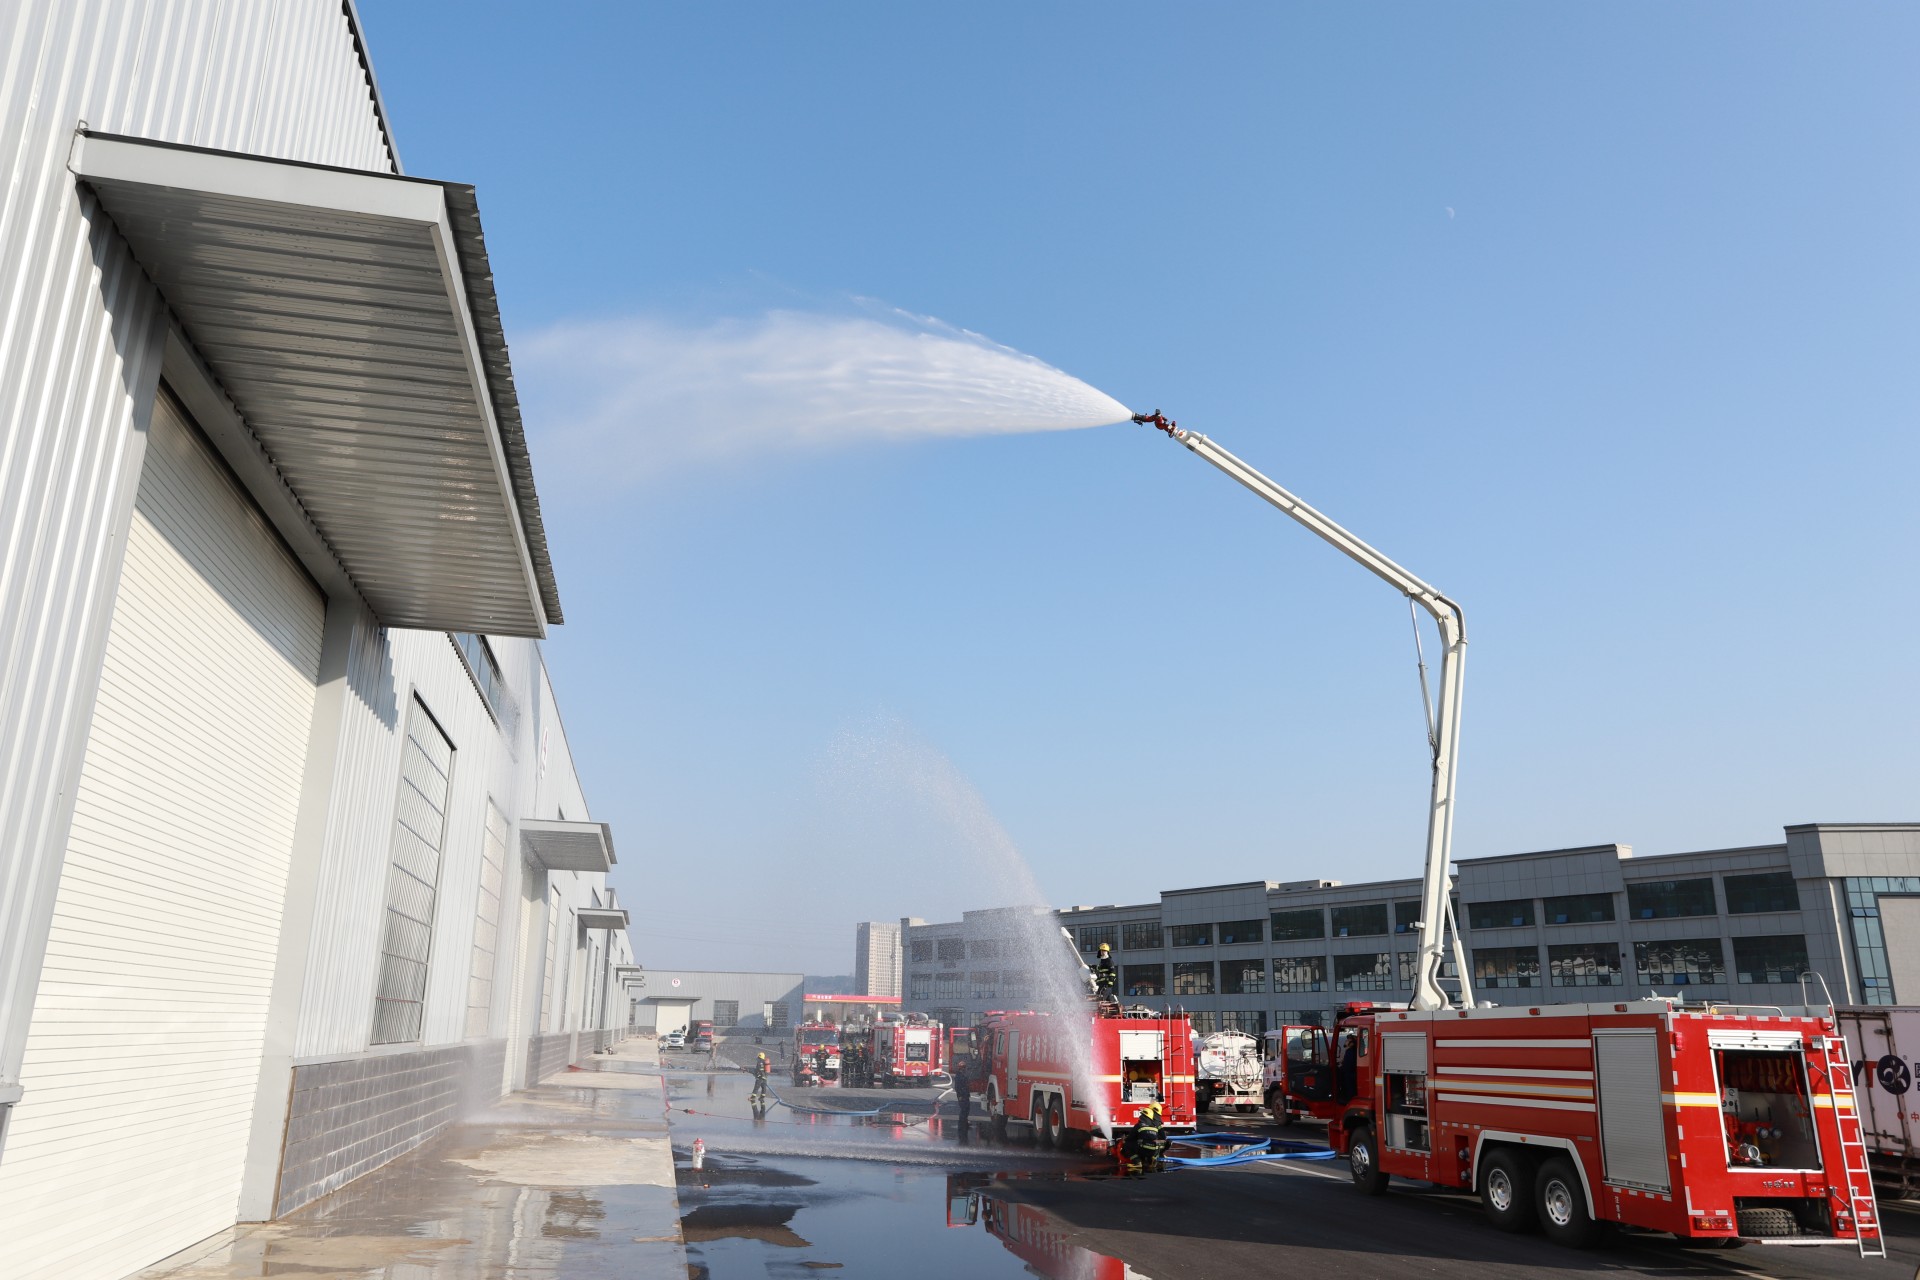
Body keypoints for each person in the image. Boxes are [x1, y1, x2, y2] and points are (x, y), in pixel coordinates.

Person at [1125, 1102, 1167, 1176]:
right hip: (1156, 1148)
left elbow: (1131, 1137)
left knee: (1128, 1145)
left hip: (1144, 1147)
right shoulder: (1155, 1124)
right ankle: (1155, 1157)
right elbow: (1163, 1136)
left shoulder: (1140, 1125)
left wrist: (1127, 1139)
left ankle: (1137, 1162)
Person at [953, 1062, 972, 1145]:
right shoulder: (959, 1076)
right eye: (963, 1068)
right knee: (963, 1110)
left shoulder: (962, 1075)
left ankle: (965, 1123)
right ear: (960, 1068)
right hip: (962, 1095)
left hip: (965, 1095)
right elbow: (957, 1087)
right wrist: (960, 1095)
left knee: (966, 1109)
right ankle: (962, 1125)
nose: (964, 1069)